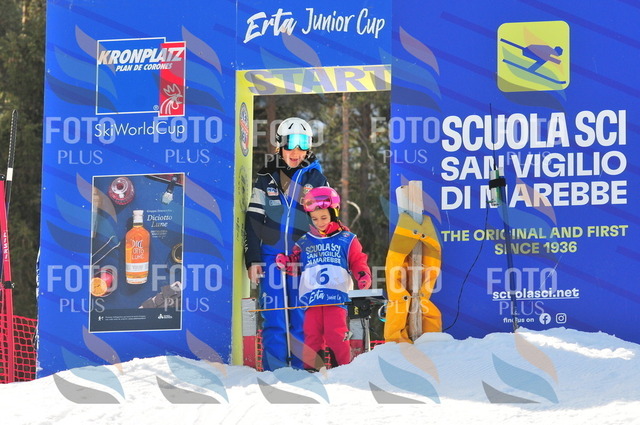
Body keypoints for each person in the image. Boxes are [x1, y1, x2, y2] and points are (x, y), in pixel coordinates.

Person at [244, 117, 328, 370]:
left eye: (303, 145)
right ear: (279, 145)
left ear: (309, 147)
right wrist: (253, 259)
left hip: (304, 259)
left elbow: (328, 224)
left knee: (303, 316)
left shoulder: (317, 179)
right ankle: (275, 372)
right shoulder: (266, 177)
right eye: (290, 144)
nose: (296, 151)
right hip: (271, 257)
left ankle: (304, 372)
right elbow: (253, 219)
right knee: (274, 317)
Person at [275, 187, 371, 370]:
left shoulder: (347, 239)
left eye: (324, 218)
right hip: (312, 298)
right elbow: (298, 265)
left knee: (336, 334)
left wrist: (362, 275)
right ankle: (312, 370)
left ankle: (341, 368)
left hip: (336, 297)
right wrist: (287, 263)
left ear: (334, 214)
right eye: (315, 219)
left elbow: (358, 260)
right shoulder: (305, 241)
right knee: (311, 334)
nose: (319, 222)